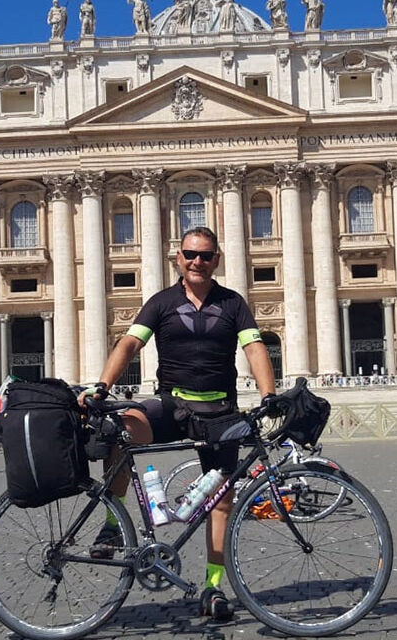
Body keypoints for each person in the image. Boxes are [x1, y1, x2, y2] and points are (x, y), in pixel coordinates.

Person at [81, 226, 276, 621]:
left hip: (220, 412)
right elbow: (130, 343)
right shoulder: (161, 302)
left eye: (205, 255)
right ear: (178, 258)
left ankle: (214, 587)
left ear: (216, 260)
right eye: (190, 254)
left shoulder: (233, 303)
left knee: (221, 499)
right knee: (124, 425)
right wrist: (102, 387)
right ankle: (111, 523)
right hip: (174, 405)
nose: (197, 261)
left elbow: (254, 347)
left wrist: (269, 395)